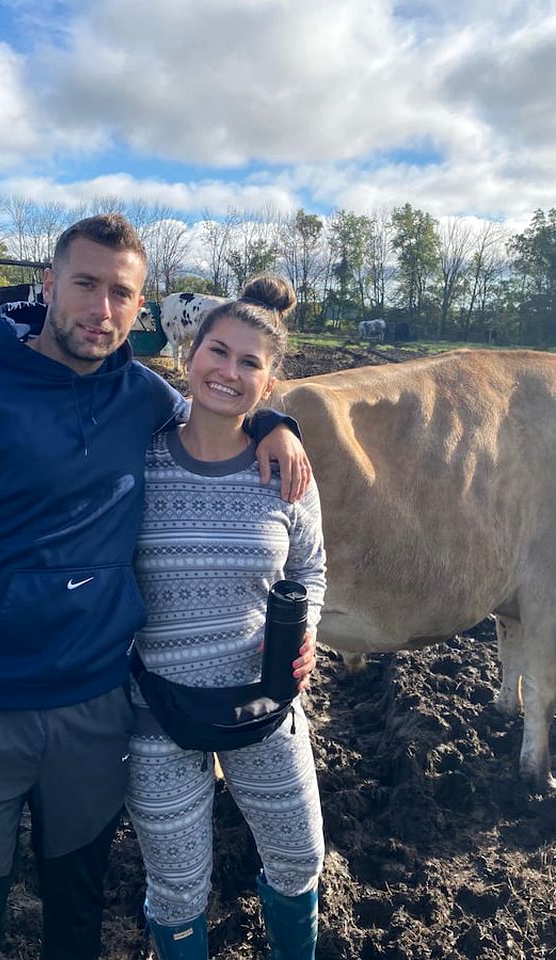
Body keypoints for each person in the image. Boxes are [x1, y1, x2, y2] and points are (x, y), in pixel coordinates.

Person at [0, 213, 313, 960]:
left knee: (76, 919)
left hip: (94, 707)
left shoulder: (140, 396)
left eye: (121, 293)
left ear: (142, 309)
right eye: (84, 284)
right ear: (48, 285)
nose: (101, 309)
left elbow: (215, 412)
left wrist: (277, 421)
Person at [125, 277, 325, 960]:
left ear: (270, 385)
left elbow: (309, 569)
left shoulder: (288, 474)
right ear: (189, 355)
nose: (229, 372)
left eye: (250, 363)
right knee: (177, 892)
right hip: (158, 713)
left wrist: (308, 632)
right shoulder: (139, 458)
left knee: (299, 863)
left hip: (265, 704)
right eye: (218, 351)